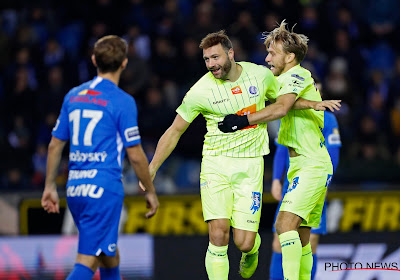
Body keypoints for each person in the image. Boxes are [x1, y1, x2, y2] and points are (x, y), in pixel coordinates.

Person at [141, 30, 334, 280]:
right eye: (207, 60)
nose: (211, 64)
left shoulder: (260, 75)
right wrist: (152, 167)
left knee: (243, 242)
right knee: (218, 233)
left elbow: (284, 101)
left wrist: (312, 102)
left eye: (215, 57)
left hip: (250, 167)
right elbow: (174, 131)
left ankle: (251, 251)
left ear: (231, 53)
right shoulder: (200, 91)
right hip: (215, 165)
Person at [218, 21, 341, 280]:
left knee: (283, 226)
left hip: (311, 164)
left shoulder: (296, 75)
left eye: (272, 53)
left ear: (290, 57)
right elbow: (289, 103)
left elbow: (282, 108)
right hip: (303, 166)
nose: (267, 58)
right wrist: (314, 103)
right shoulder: (287, 81)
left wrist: (242, 121)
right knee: (303, 236)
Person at [41, 35, 159, 280]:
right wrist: (149, 190)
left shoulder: (72, 95)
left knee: (108, 255)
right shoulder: (123, 101)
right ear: (124, 63)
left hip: (75, 188)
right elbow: (135, 155)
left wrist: (50, 185)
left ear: (94, 60)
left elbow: (55, 144)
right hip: (103, 190)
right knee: (87, 262)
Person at [269, 76, 342, 280]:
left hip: (314, 185)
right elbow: (282, 150)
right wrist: (276, 179)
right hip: (291, 186)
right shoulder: (291, 116)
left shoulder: (328, 119)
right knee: (279, 242)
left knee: (309, 243)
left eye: (317, 91)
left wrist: (325, 182)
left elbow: (333, 154)